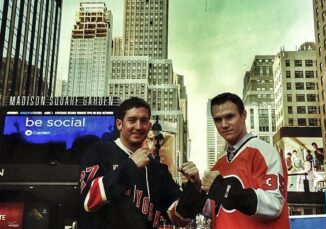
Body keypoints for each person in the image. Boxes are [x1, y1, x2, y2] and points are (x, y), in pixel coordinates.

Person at [79, 97, 206, 229]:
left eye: (144, 121)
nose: (138, 127)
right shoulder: (99, 151)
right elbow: (89, 201)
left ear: (149, 126)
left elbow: (179, 218)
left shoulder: (158, 169)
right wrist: (131, 166)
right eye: (132, 120)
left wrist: (194, 186)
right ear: (119, 124)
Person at [201, 93, 289, 229]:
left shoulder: (264, 151)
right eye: (218, 119)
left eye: (230, 116)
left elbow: (274, 205)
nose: (224, 124)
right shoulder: (219, 163)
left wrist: (224, 189)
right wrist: (194, 189)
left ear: (243, 116)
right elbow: (215, 211)